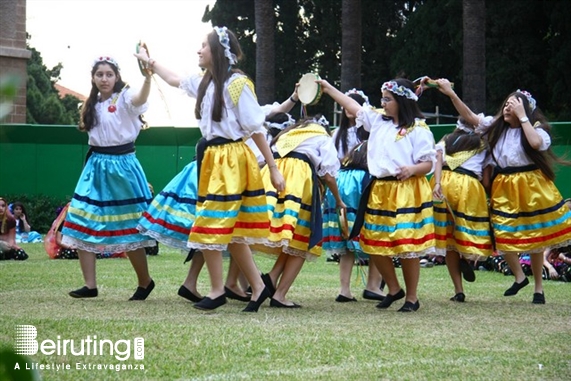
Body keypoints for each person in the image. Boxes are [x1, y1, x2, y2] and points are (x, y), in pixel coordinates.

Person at [135, 26, 285, 312]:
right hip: (213, 159)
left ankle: (217, 290)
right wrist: (149, 62)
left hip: (231, 159)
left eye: (203, 45)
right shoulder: (205, 82)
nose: (199, 50)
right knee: (232, 229)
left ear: (217, 51)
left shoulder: (237, 84)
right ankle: (258, 286)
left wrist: (274, 168)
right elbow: (174, 79)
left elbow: (256, 128)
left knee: (207, 223)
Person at [317, 77, 436, 312]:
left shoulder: (418, 128)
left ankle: (411, 297)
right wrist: (329, 89)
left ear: (402, 101)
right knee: (373, 243)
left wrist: (412, 169)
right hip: (379, 188)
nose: (383, 103)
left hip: (406, 190)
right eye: (382, 98)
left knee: (406, 245)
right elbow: (353, 107)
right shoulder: (379, 122)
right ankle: (393, 288)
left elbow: (428, 163)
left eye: (388, 99)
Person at [451, 86, 571, 304]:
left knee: (535, 239)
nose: (508, 107)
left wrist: (523, 117)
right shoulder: (495, 128)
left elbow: (535, 143)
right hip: (504, 186)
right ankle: (520, 277)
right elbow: (469, 116)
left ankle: (538, 289)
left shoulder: (537, 130)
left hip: (531, 185)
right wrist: (450, 94)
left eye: (513, 105)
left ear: (525, 109)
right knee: (501, 235)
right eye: (506, 103)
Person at [61, 55, 155, 300]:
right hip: (95, 167)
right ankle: (90, 286)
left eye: (109, 74)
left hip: (123, 165)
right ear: (93, 78)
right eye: (99, 74)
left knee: (130, 226)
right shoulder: (91, 104)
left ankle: (145, 282)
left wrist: (147, 78)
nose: (104, 79)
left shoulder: (124, 97)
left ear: (116, 77)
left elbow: (141, 99)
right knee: (81, 218)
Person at [253, 116, 346, 308]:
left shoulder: (285, 135)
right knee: (301, 238)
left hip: (272, 177)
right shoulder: (322, 137)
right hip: (299, 180)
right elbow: (328, 176)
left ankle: (270, 278)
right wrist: (338, 199)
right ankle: (280, 294)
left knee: (288, 236)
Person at [430, 79, 494, 302]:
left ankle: (458, 290)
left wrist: (437, 183)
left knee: (447, 240)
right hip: (469, 187)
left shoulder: (446, 140)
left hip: (444, 183)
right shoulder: (485, 142)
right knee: (468, 232)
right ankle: (468, 259)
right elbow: (486, 177)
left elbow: (437, 158)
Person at [321, 89, 384, 303]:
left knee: (360, 234)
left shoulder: (370, 130)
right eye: (347, 105)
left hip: (352, 182)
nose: (350, 109)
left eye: (354, 105)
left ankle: (363, 286)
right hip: (354, 184)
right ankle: (358, 287)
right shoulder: (337, 134)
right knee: (364, 233)